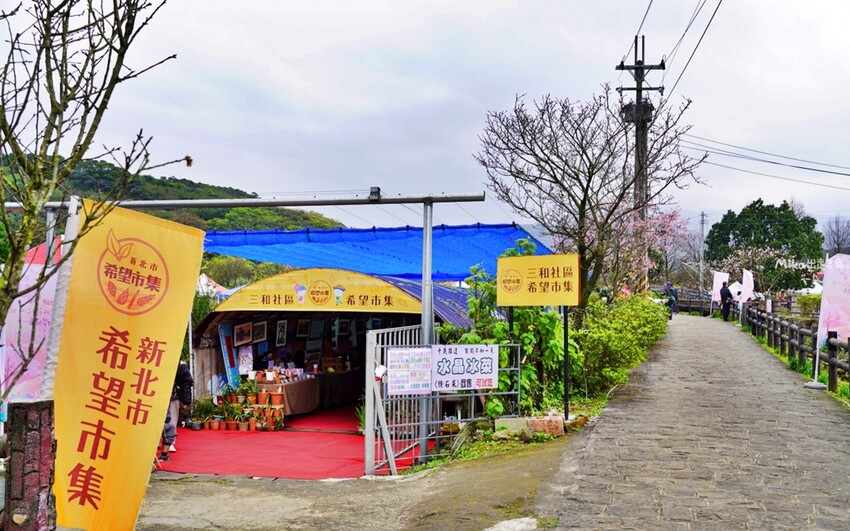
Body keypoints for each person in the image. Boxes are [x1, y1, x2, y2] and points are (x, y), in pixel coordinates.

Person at [169, 360, 194, 452]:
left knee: (172, 419)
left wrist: (186, 401)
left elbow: (186, 383)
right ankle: (158, 442)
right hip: (158, 395)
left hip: (174, 396)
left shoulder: (181, 365)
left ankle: (170, 442)